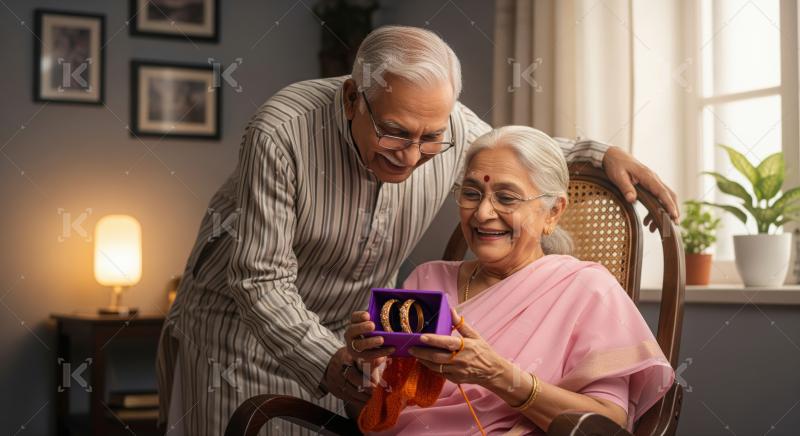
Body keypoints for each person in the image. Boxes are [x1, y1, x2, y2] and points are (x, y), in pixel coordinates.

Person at [156, 26, 678, 435]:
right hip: (244, 335)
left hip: (352, 346)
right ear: (351, 99)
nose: (411, 157)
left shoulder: (444, 126)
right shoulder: (283, 133)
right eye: (394, 133)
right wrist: (336, 364)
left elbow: (515, 154)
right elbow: (261, 282)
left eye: (431, 140)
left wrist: (601, 153)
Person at [347, 126, 675, 434]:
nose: (483, 213)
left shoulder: (587, 289)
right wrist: (362, 365)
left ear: (553, 212)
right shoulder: (427, 279)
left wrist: (498, 375)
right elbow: (372, 407)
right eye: (472, 193)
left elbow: (605, 424)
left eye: (506, 198)